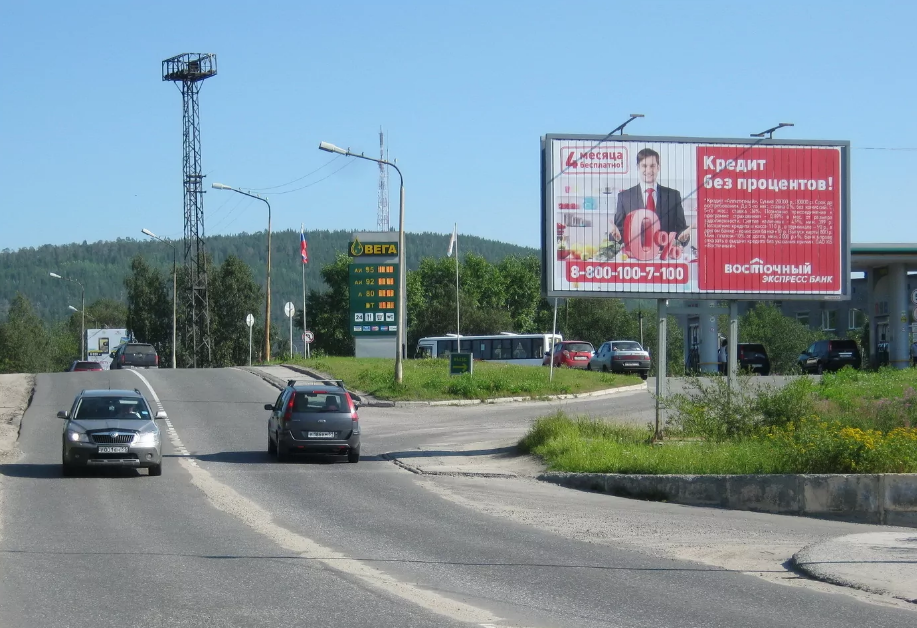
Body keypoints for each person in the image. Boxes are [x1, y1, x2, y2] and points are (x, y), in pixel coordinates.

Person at [611, 148, 690, 244]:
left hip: (663, 256)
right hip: (635, 256)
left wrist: (683, 237)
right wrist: (616, 237)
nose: (648, 170)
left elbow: (681, 229)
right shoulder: (624, 197)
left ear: (658, 167)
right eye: (644, 166)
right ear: (638, 167)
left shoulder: (673, 196)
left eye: (652, 166)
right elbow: (618, 231)